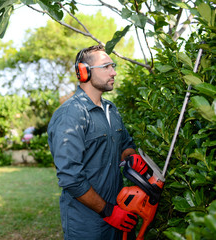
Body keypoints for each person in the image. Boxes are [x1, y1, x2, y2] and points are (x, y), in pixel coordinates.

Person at [47, 45, 147, 239]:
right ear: (84, 72)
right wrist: (109, 211)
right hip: (87, 224)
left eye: (113, 66)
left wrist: (132, 159)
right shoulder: (70, 115)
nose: (114, 72)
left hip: (120, 214)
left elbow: (125, 144)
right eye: (106, 66)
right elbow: (71, 178)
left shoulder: (111, 109)